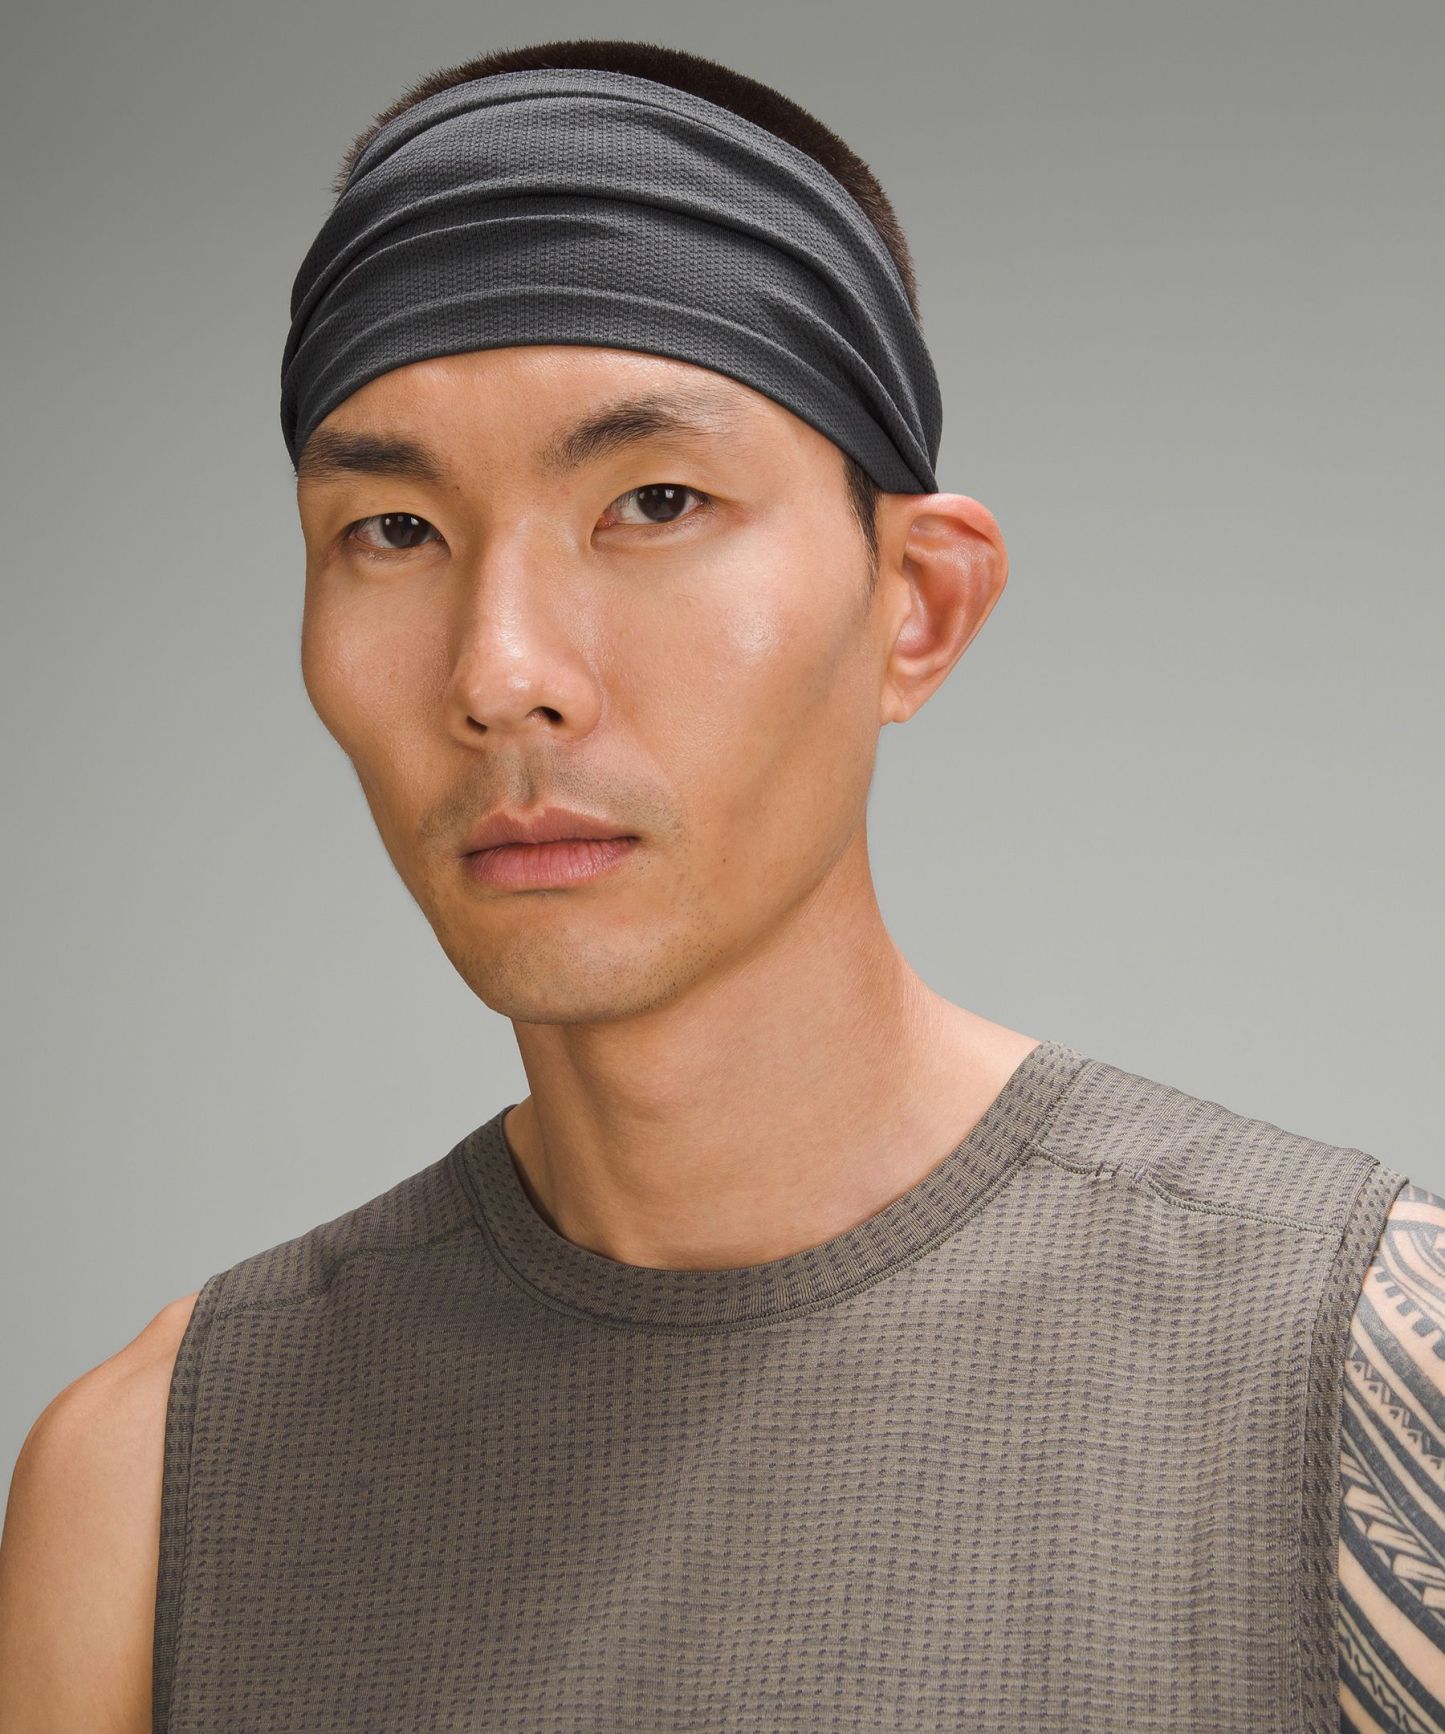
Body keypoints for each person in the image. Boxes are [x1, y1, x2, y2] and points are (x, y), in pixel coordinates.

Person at [0, 36, 1439, 1734]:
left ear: (917, 606)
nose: (501, 672)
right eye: (393, 530)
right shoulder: (154, 1480)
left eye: (655, 500)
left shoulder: (1360, 1380)